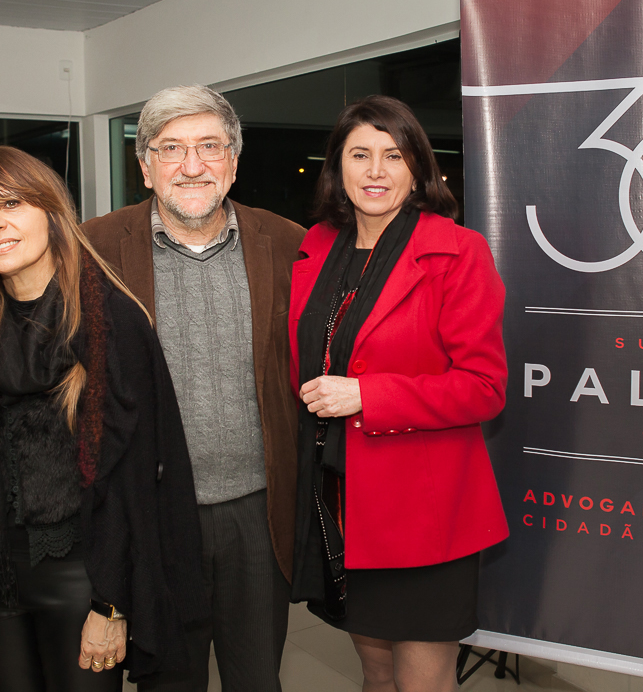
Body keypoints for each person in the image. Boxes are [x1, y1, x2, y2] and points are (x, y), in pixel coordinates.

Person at [0, 146, 207, 691]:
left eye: (11, 203)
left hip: (83, 577)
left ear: (50, 210)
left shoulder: (109, 321)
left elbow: (136, 483)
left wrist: (110, 604)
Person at [83, 85, 305, 692]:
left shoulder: (290, 244)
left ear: (233, 161)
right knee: (170, 682)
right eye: (172, 147)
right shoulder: (93, 249)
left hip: (258, 512)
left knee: (257, 679)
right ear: (145, 164)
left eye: (209, 146)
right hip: (155, 512)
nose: (192, 165)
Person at [290, 95, 510, 692]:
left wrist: (369, 395)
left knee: (422, 679)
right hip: (343, 502)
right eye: (360, 154)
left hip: (427, 510)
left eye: (393, 154)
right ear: (337, 167)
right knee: (377, 670)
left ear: (418, 167)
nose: (376, 171)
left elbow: (484, 388)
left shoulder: (458, 252)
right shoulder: (316, 248)